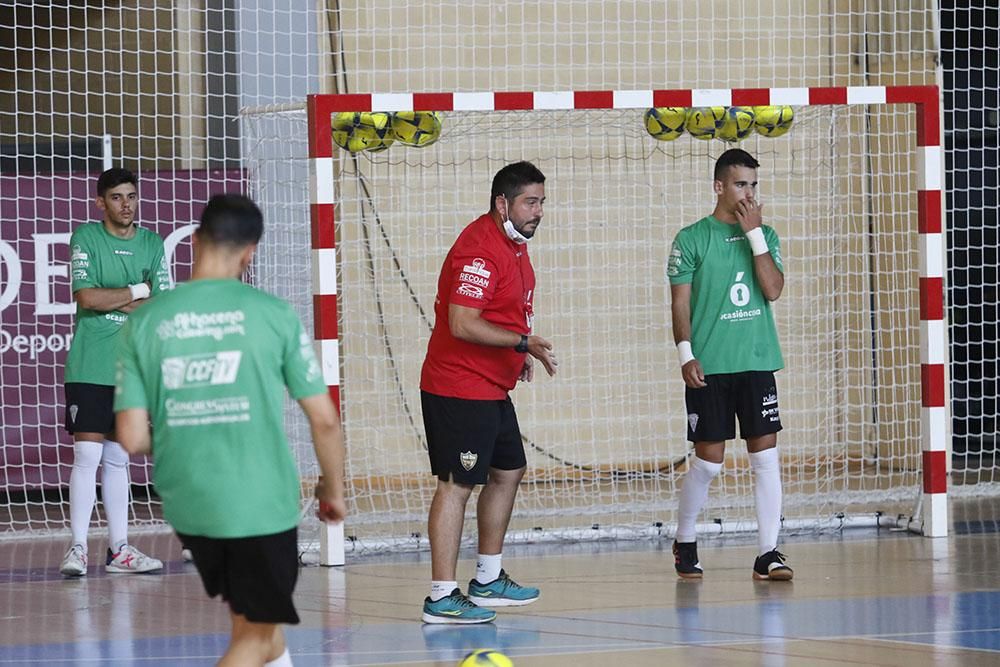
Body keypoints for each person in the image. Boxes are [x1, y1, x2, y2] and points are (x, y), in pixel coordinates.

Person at [114, 194, 347, 666]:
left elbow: (133, 438)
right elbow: (323, 418)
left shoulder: (143, 323)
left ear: (195, 241)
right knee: (255, 640)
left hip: (190, 504)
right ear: (251, 252)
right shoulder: (272, 314)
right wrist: (334, 489)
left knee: (260, 624)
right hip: (259, 502)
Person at [420, 161, 558, 624]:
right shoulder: (480, 248)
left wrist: (515, 358)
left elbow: (506, 309)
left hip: (489, 386)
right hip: (458, 385)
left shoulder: (513, 244)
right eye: (530, 202)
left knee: (508, 470)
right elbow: (462, 322)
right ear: (503, 204)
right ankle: (441, 594)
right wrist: (522, 344)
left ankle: (487, 578)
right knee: (457, 485)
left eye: (541, 201)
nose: (538, 211)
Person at [667, 148, 793, 582]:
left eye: (754, 185)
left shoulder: (766, 235)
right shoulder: (691, 238)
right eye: (741, 184)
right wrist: (686, 354)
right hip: (711, 366)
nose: (748, 194)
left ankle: (768, 553)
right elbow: (679, 303)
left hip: (756, 361)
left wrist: (755, 235)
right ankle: (685, 539)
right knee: (709, 462)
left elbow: (773, 290)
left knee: (766, 458)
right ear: (719, 186)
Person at [59, 167, 170, 577]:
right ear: (101, 202)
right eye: (117, 197)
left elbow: (160, 308)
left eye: (131, 196)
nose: (126, 205)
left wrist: (116, 299)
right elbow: (86, 296)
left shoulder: (152, 244)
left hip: (132, 368)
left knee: (119, 458)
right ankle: (77, 548)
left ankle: (119, 549)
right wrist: (138, 290)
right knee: (87, 453)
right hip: (90, 362)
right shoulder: (86, 236)